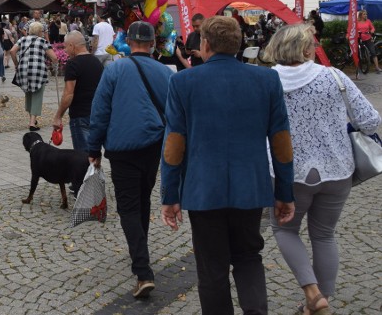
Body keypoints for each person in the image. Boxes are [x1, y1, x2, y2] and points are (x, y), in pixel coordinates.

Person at [160, 16, 296, 315]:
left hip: (202, 189)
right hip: (250, 187)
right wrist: (285, 191)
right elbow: (281, 141)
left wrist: (170, 195)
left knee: (211, 266)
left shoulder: (183, 81)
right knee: (248, 257)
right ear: (238, 45)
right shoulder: (266, 79)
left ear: (205, 44)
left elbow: (174, 144)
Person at [266, 24, 379, 315]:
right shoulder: (333, 76)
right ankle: (320, 299)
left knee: (284, 229)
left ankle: (312, 294)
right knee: (324, 234)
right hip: (338, 169)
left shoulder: (266, 81)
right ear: (305, 49)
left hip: (288, 174)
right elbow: (369, 120)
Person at [87, 21, 172, 299]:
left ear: (129, 42)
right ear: (152, 43)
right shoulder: (165, 72)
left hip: (122, 147)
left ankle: (143, 270)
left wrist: (93, 147)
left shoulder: (114, 70)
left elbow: (100, 111)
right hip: (152, 145)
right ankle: (141, 251)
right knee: (143, 199)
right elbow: (174, 112)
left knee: (128, 206)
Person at [51, 32, 103, 152]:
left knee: (82, 156)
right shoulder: (97, 62)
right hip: (96, 113)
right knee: (95, 153)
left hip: (80, 115)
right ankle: (96, 170)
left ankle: (87, 171)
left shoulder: (73, 64)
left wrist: (58, 116)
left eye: (65, 47)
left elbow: (68, 94)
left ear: (72, 45)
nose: (65, 51)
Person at [11, 22, 58, 131]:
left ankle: (32, 119)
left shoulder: (22, 39)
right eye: (42, 31)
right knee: (37, 95)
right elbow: (54, 58)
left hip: (23, 70)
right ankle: (32, 123)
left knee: (28, 94)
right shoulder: (43, 41)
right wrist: (53, 66)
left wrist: (17, 64)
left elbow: (12, 51)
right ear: (39, 31)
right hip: (38, 71)